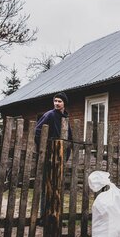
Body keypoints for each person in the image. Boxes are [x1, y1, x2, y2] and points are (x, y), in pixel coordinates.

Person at [35, 92, 73, 223]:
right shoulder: (49, 115)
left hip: (60, 157)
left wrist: (66, 156)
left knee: (57, 187)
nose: (57, 103)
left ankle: (54, 216)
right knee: (47, 187)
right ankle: (44, 217)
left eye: (59, 101)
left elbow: (69, 139)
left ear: (64, 104)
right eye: (55, 101)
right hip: (49, 156)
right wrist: (45, 150)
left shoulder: (65, 118)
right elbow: (38, 131)